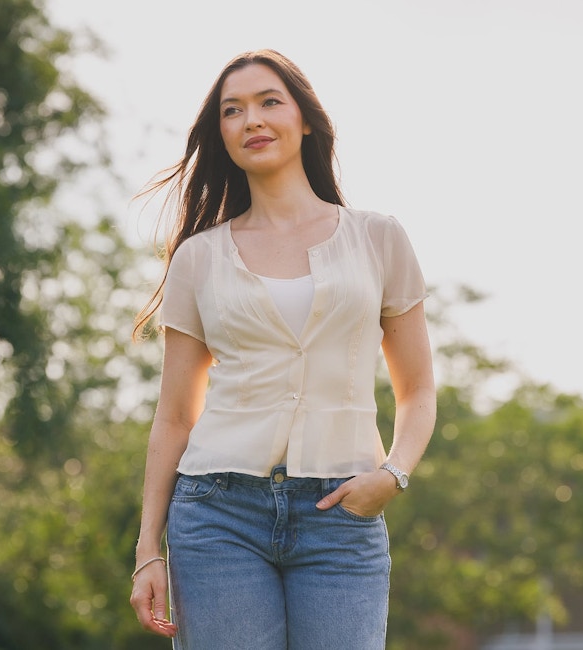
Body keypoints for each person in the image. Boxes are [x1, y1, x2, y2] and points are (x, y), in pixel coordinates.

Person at [129, 49, 436, 650]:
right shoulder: (198, 256)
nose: (252, 120)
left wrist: (393, 474)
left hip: (342, 511)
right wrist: (147, 550)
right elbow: (174, 415)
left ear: (307, 120)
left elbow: (418, 389)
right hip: (218, 512)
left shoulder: (379, 238)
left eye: (269, 102)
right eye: (232, 111)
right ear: (221, 134)